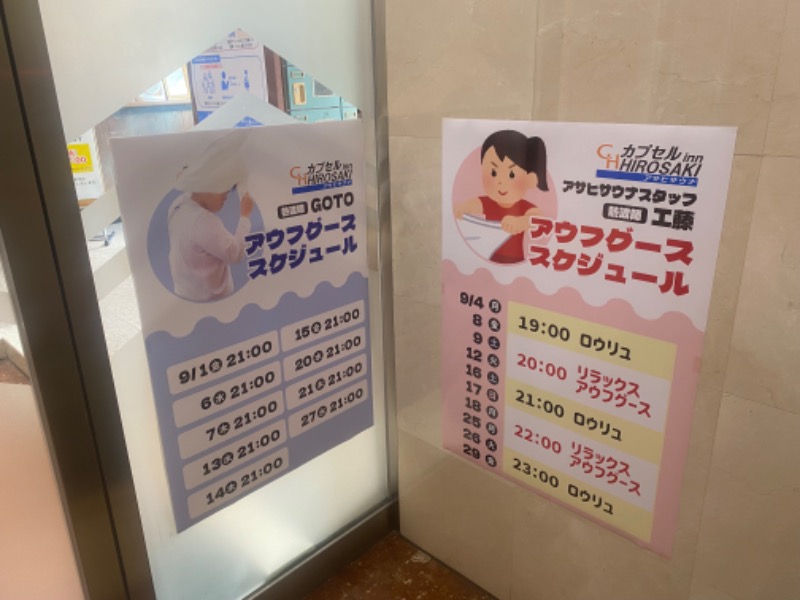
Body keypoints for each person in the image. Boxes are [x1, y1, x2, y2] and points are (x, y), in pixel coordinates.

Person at [167, 133, 253, 301]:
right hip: (212, 300)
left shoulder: (179, 204)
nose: (226, 196)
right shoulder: (203, 221)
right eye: (223, 189)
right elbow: (235, 254)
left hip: (185, 292)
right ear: (206, 184)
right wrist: (245, 215)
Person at [454, 130, 548, 264]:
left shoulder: (525, 207)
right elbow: (473, 204)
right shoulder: (487, 202)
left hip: (516, 262)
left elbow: (538, 219)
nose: (500, 181)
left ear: (530, 179)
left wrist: (521, 222)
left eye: (511, 175)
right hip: (488, 259)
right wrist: (463, 208)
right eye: (493, 172)